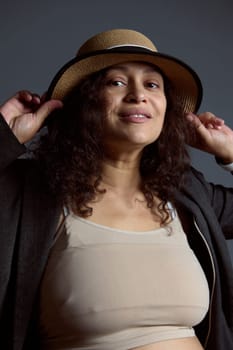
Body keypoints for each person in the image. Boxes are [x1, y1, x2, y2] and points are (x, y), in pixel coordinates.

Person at [0, 28, 232, 350]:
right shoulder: (30, 191)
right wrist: (5, 137)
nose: (139, 95)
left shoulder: (187, 193)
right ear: (84, 102)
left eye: (152, 84)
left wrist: (231, 152)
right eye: (117, 83)